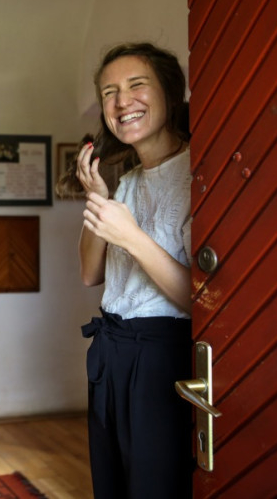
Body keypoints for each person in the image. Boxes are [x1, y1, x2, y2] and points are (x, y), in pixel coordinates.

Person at [74, 42, 193, 499]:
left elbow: (198, 299)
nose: (122, 102)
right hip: (112, 350)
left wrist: (131, 237)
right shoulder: (126, 181)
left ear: (171, 93)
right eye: (109, 93)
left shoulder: (198, 175)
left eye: (136, 85)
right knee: (112, 486)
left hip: (162, 357)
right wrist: (98, 200)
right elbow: (90, 274)